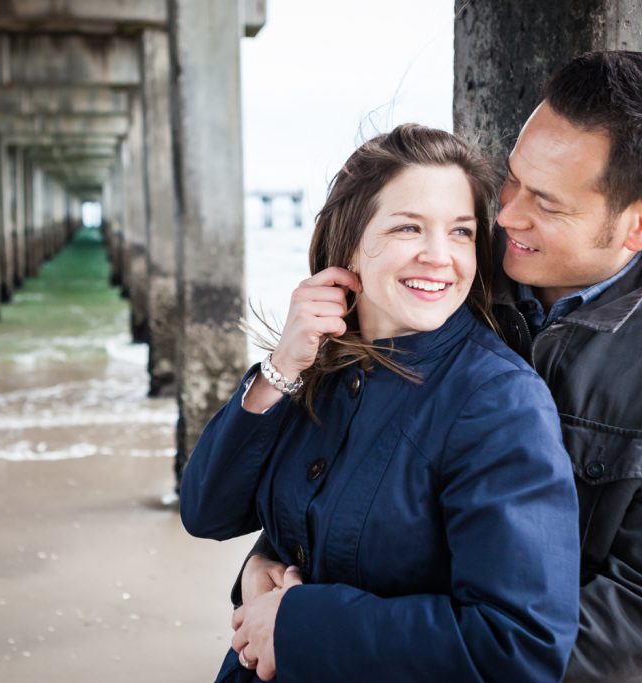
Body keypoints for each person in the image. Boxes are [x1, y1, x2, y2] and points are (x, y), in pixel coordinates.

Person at [237, 51, 642, 683]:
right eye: (511, 178)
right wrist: (273, 561)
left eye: (546, 203)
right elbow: (345, 442)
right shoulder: (446, 269)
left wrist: (366, 645)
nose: (505, 214)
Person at [180, 124, 581, 682]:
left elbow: (517, 647)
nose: (440, 257)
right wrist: (280, 370)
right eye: (408, 227)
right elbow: (206, 512)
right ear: (348, 243)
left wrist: (297, 622)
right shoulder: (318, 362)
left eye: (461, 232)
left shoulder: (498, 402)